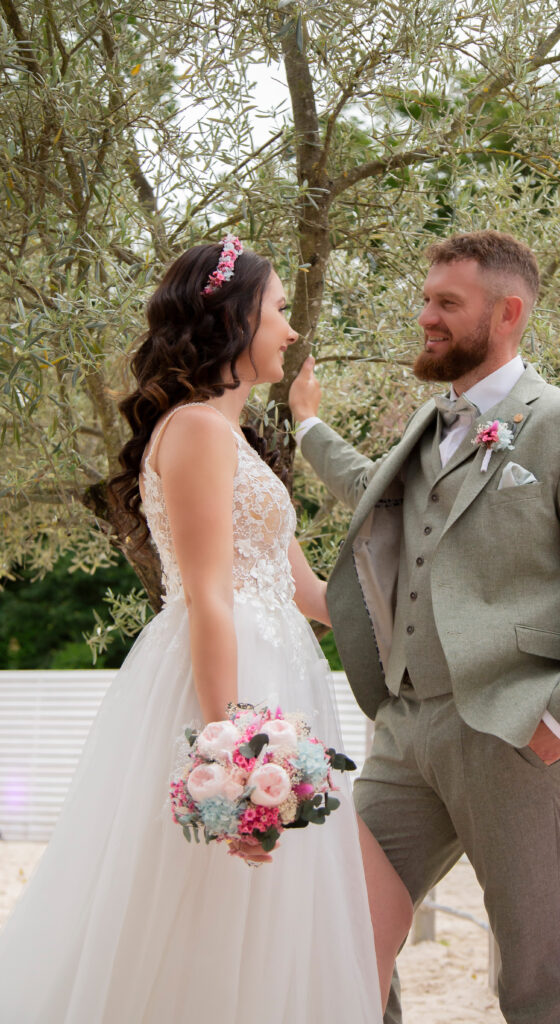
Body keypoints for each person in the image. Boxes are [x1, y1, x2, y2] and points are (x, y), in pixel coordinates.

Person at [0, 236, 412, 1023]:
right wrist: (229, 750)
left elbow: (307, 593)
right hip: (228, 696)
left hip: (278, 685)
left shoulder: (235, 438)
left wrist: (422, 620)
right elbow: (208, 595)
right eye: (279, 311)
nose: (290, 332)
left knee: (343, 908)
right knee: (211, 919)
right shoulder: (192, 429)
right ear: (233, 318)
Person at [289, 229, 560, 1024]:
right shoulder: (435, 422)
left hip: (513, 731)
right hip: (404, 727)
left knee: (535, 973)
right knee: (345, 931)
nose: (425, 315)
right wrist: (307, 431)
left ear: (508, 312)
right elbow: (373, 489)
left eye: (445, 303)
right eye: (425, 299)